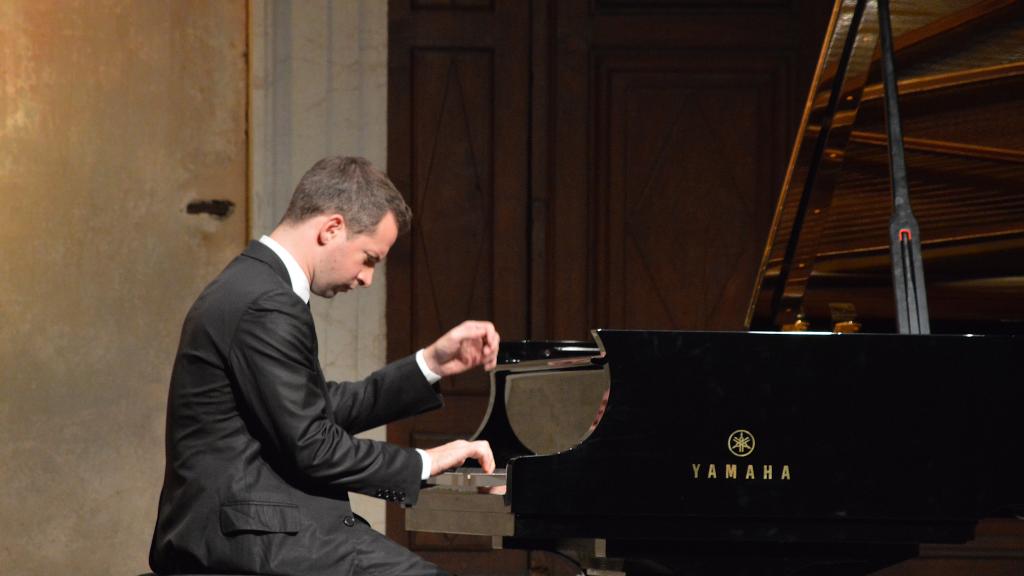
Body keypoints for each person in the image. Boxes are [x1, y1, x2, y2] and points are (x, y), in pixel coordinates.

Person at [149, 156, 498, 576]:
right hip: (255, 539)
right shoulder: (267, 302)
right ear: (332, 228)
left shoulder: (255, 285)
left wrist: (431, 363)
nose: (367, 278)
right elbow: (313, 445)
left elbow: (312, 408)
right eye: (369, 258)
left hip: (259, 529)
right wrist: (424, 462)